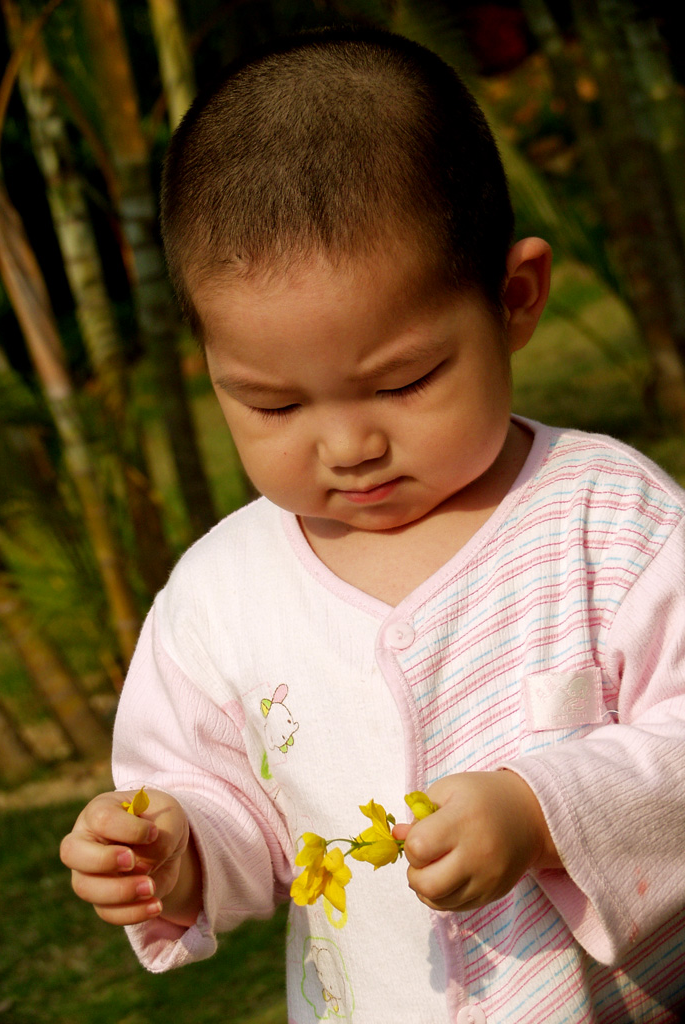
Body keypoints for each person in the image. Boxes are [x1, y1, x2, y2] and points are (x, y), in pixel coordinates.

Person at [59, 26, 685, 1023]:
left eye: (405, 380)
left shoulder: (612, 523)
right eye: (273, 405)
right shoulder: (222, 598)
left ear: (514, 298)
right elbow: (230, 804)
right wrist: (174, 846)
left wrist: (543, 811)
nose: (347, 445)